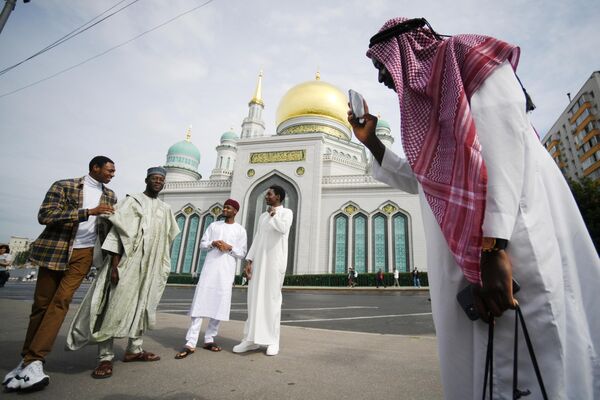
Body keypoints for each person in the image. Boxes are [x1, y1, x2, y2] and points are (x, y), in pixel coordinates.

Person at [349, 17, 600, 399]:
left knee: (532, 352)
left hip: (513, 232)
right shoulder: (432, 119)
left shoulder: (467, 56)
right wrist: (372, 143)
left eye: (382, 65)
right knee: (483, 362)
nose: (383, 77)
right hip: (473, 251)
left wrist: (494, 247)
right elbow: (421, 181)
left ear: (404, 51)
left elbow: (504, 146)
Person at [3, 156, 116, 392]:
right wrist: (87, 212)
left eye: (113, 172)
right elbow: (45, 216)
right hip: (56, 249)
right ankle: (26, 360)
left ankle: (35, 360)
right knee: (41, 305)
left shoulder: (110, 195)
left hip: (84, 254)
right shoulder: (64, 186)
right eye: (108, 170)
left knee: (61, 301)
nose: (112, 174)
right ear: (94, 168)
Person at [65, 167, 180, 380]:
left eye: (161, 179)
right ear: (146, 180)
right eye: (154, 178)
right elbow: (117, 231)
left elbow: (167, 240)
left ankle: (134, 349)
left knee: (143, 305)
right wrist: (116, 265)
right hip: (128, 263)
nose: (158, 182)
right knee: (114, 306)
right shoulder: (133, 201)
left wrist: (162, 266)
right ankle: (105, 357)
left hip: (151, 266)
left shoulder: (165, 209)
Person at [175, 199, 247, 359]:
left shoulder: (240, 230)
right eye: (225, 207)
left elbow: (242, 253)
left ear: (235, 211)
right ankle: (190, 342)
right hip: (209, 269)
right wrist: (213, 243)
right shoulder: (214, 226)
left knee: (218, 305)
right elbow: (202, 244)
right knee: (200, 303)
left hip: (226, 272)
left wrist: (229, 247)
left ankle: (209, 338)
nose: (225, 209)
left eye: (228, 208)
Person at [233, 185, 293, 356]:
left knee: (272, 301)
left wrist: (274, 215)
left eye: (269, 194)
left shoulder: (286, 213)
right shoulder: (262, 217)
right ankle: (250, 339)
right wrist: (249, 260)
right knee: (254, 299)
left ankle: (273, 341)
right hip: (259, 262)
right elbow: (258, 238)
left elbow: (282, 229)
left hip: (275, 263)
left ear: (278, 197)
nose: (266, 196)